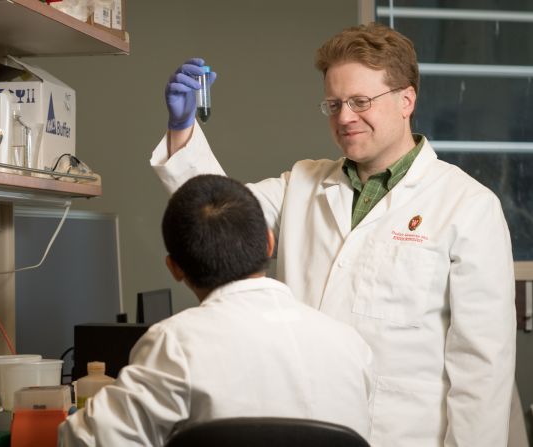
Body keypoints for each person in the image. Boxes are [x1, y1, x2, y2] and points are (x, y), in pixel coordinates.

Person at [150, 22, 516, 447]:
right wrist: (183, 131)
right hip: (300, 429)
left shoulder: (467, 205)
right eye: (334, 103)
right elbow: (217, 216)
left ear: (406, 100)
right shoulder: (302, 183)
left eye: (361, 101)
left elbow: (482, 368)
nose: (345, 117)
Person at [58, 174, 373, 447]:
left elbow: (89, 442)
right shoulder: (351, 346)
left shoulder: (175, 343)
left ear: (174, 268)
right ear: (268, 242)